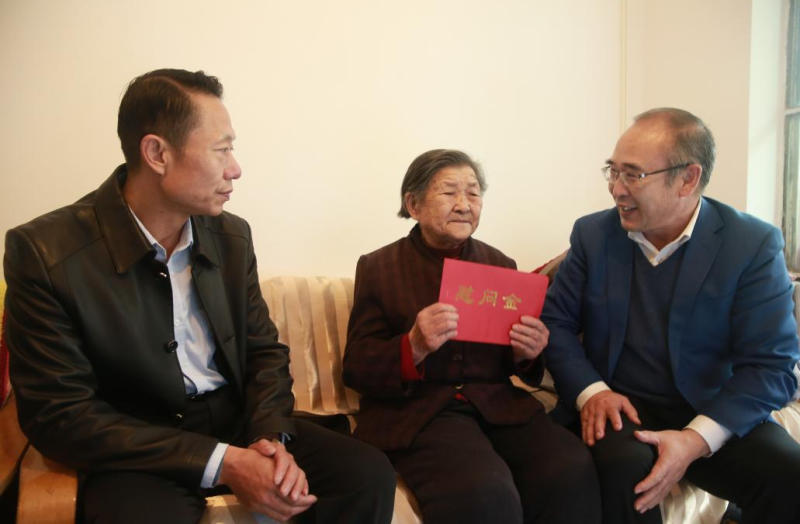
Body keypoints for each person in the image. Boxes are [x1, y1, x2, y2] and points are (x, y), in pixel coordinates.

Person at [4, 68, 396, 524]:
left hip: (236, 422)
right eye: (222, 149)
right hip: (137, 444)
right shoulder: (45, 253)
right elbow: (60, 414)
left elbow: (264, 352)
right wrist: (222, 462)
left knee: (365, 474)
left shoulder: (231, 236)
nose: (235, 168)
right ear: (157, 153)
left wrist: (269, 438)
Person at [541, 107, 800, 523]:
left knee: (790, 475)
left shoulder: (751, 245)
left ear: (688, 179)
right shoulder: (593, 235)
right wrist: (593, 392)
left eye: (633, 175)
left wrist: (695, 440)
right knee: (624, 470)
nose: (617, 189)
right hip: (622, 406)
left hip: (711, 407)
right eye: (613, 171)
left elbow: (773, 366)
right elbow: (556, 323)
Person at [342, 149, 600, 524]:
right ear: (413, 204)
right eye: (449, 192)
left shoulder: (500, 265)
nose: (464, 205)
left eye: (474, 193)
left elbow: (515, 363)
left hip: (497, 406)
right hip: (420, 413)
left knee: (570, 467)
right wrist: (412, 346)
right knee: (484, 490)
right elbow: (356, 366)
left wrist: (527, 352)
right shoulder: (379, 267)